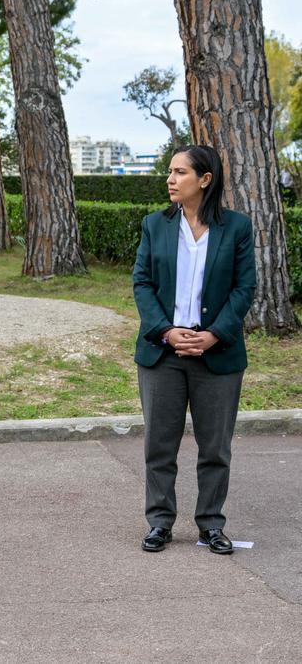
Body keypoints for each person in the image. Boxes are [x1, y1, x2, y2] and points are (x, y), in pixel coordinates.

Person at [132, 144, 256, 555]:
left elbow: (244, 288)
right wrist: (166, 331)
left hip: (217, 353)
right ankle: (160, 523)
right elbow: (142, 284)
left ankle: (210, 525)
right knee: (159, 445)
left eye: (180, 172)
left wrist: (215, 334)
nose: (170, 179)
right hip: (163, 353)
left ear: (205, 179)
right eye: (169, 171)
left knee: (216, 447)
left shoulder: (236, 228)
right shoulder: (155, 225)